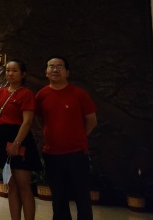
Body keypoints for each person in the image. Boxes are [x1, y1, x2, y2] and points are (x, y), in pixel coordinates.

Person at [36, 56, 97, 220]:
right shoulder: (41, 95)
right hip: (52, 154)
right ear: (46, 72)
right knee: (58, 198)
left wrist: (79, 136)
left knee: (82, 196)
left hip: (76, 153)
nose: (55, 69)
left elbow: (92, 120)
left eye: (59, 66)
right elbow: (40, 119)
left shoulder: (79, 93)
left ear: (67, 72)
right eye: (51, 66)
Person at [0, 60, 40, 220]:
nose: (10, 74)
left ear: (23, 74)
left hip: (20, 139)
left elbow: (27, 122)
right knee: (11, 185)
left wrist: (16, 143)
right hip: (2, 138)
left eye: (14, 71)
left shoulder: (26, 93)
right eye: (7, 70)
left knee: (24, 186)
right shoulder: (0, 93)